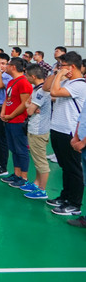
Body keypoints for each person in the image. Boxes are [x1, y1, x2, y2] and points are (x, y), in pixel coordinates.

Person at [45, 51, 86, 216]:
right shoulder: (67, 82)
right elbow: (47, 88)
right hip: (58, 129)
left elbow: (54, 92)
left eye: (62, 66)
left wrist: (59, 75)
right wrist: (57, 73)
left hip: (69, 131)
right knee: (65, 166)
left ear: (72, 67)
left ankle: (74, 204)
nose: (59, 68)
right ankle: (65, 197)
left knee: (73, 169)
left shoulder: (79, 85)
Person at [0, 58, 32, 188]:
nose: (5, 67)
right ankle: (17, 174)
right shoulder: (11, 82)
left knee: (21, 149)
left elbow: (25, 103)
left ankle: (24, 177)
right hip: (9, 120)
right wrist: (3, 112)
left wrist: (11, 115)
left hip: (18, 121)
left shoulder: (23, 82)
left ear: (13, 67)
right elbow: (7, 99)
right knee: (13, 149)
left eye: (7, 64)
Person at [23, 64, 52, 201]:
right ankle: (36, 183)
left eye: (27, 75)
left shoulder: (41, 92)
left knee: (41, 162)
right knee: (37, 160)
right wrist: (30, 106)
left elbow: (28, 110)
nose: (25, 77)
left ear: (33, 76)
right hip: (35, 128)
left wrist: (30, 107)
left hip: (38, 130)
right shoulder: (37, 89)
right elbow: (27, 104)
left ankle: (42, 190)